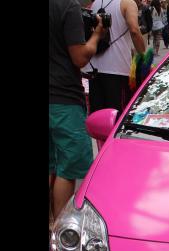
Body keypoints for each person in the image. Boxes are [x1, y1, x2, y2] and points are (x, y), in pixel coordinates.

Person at [49, 0, 105, 220]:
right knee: (68, 168)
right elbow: (80, 57)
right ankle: (59, 228)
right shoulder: (67, 6)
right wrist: (96, 35)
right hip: (64, 99)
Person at [85, 0, 146, 114]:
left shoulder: (96, 3)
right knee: (116, 116)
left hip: (95, 69)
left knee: (97, 117)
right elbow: (134, 30)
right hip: (118, 69)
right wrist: (144, 55)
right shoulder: (127, 3)